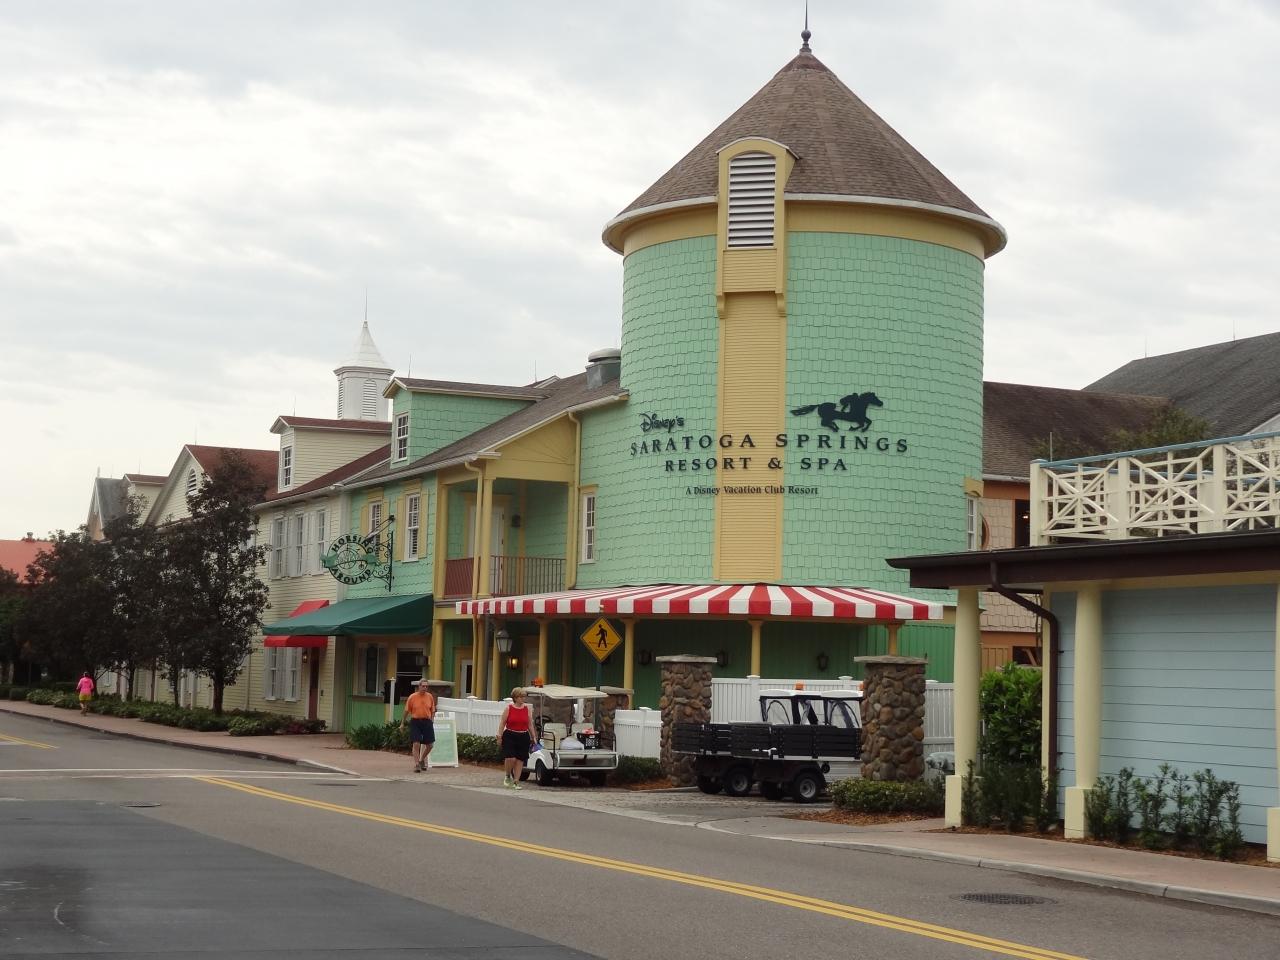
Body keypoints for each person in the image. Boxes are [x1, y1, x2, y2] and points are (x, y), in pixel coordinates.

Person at [496, 687, 537, 789]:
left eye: (524, 696)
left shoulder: (527, 709)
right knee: (511, 758)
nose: (523, 698)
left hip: (523, 736)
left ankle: (516, 782)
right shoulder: (509, 708)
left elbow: (530, 724)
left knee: (520, 760)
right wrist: (499, 736)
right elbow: (502, 723)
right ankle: (507, 776)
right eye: (521, 696)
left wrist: (533, 736)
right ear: (515, 698)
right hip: (510, 735)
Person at [399, 679, 436, 773]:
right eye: (423, 686)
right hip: (415, 721)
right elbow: (406, 711)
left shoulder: (430, 696)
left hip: (427, 722)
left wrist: (432, 720)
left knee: (430, 745)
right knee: (416, 743)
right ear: (419, 686)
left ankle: (421, 759)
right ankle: (417, 764)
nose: (425, 688)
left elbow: (432, 710)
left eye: (426, 686)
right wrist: (402, 723)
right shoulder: (412, 697)